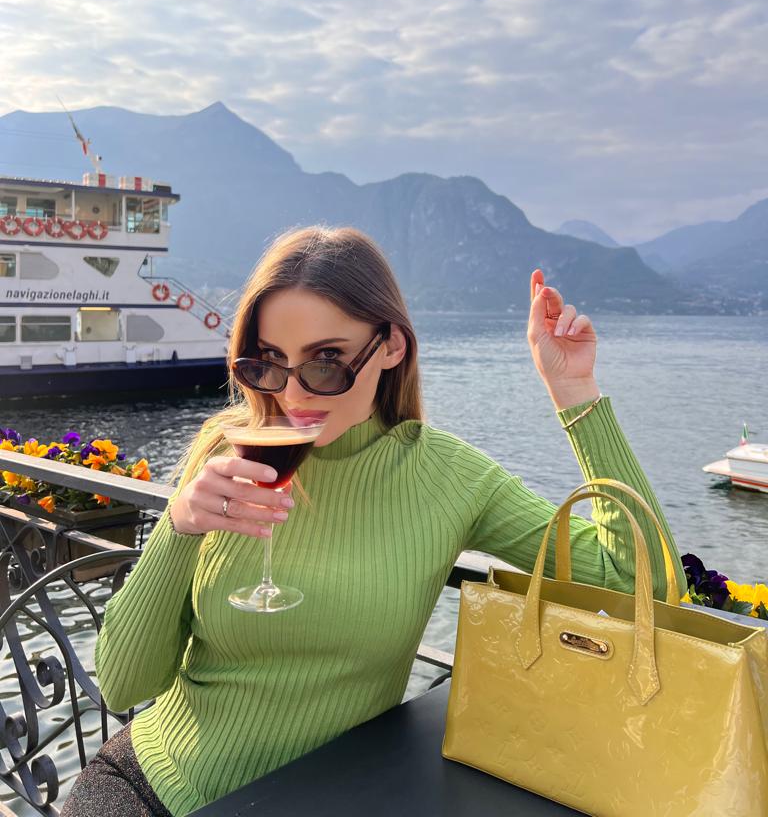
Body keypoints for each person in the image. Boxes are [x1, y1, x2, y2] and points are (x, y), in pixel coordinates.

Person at [63, 226, 684, 817]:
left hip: (333, 793)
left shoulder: (449, 476)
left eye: (326, 361)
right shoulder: (227, 452)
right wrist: (178, 526)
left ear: (391, 347)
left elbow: (645, 583)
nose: (295, 394)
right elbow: (121, 685)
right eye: (270, 362)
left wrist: (574, 391)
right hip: (158, 784)